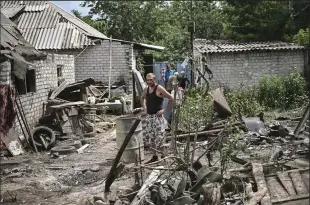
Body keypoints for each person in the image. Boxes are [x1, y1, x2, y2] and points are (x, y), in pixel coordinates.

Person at [138, 73, 173, 163]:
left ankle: (162, 157)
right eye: (148, 80)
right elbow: (142, 98)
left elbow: (171, 98)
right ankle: (154, 157)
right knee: (150, 138)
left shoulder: (159, 88)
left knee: (160, 138)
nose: (149, 81)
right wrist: (145, 108)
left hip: (158, 118)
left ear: (154, 79)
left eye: (151, 80)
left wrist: (164, 110)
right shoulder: (146, 89)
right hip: (149, 117)